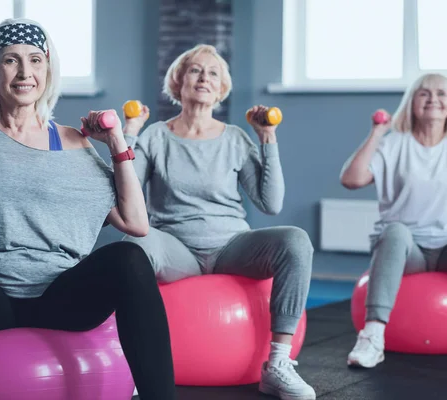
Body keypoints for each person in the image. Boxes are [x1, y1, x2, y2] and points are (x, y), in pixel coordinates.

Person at [0, 18, 176, 400]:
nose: (25, 72)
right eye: (11, 60)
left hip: (63, 297)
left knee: (130, 257)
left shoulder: (76, 142)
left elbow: (135, 224)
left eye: (35, 60)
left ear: (48, 68)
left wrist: (116, 143)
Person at [121, 44, 316, 400]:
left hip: (231, 246)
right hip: (176, 248)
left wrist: (267, 138)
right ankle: (134, 363)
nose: (203, 78)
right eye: (195, 70)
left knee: (296, 240)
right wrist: (130, 132)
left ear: (222, 88)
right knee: (133, 247)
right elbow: (126, 193)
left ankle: (277, 364)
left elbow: (271, 204)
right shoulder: (156, 136)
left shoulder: (236, 139)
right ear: (178, 82)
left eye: (213, 73)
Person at [340, 73, 447, 368]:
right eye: (424, 94)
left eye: (441, 94)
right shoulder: (394, 144)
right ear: (411, 103)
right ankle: (372, 337)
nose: (433, 99)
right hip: (407, 251)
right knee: (395, 231)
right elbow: (351, 180)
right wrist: (376, 133)